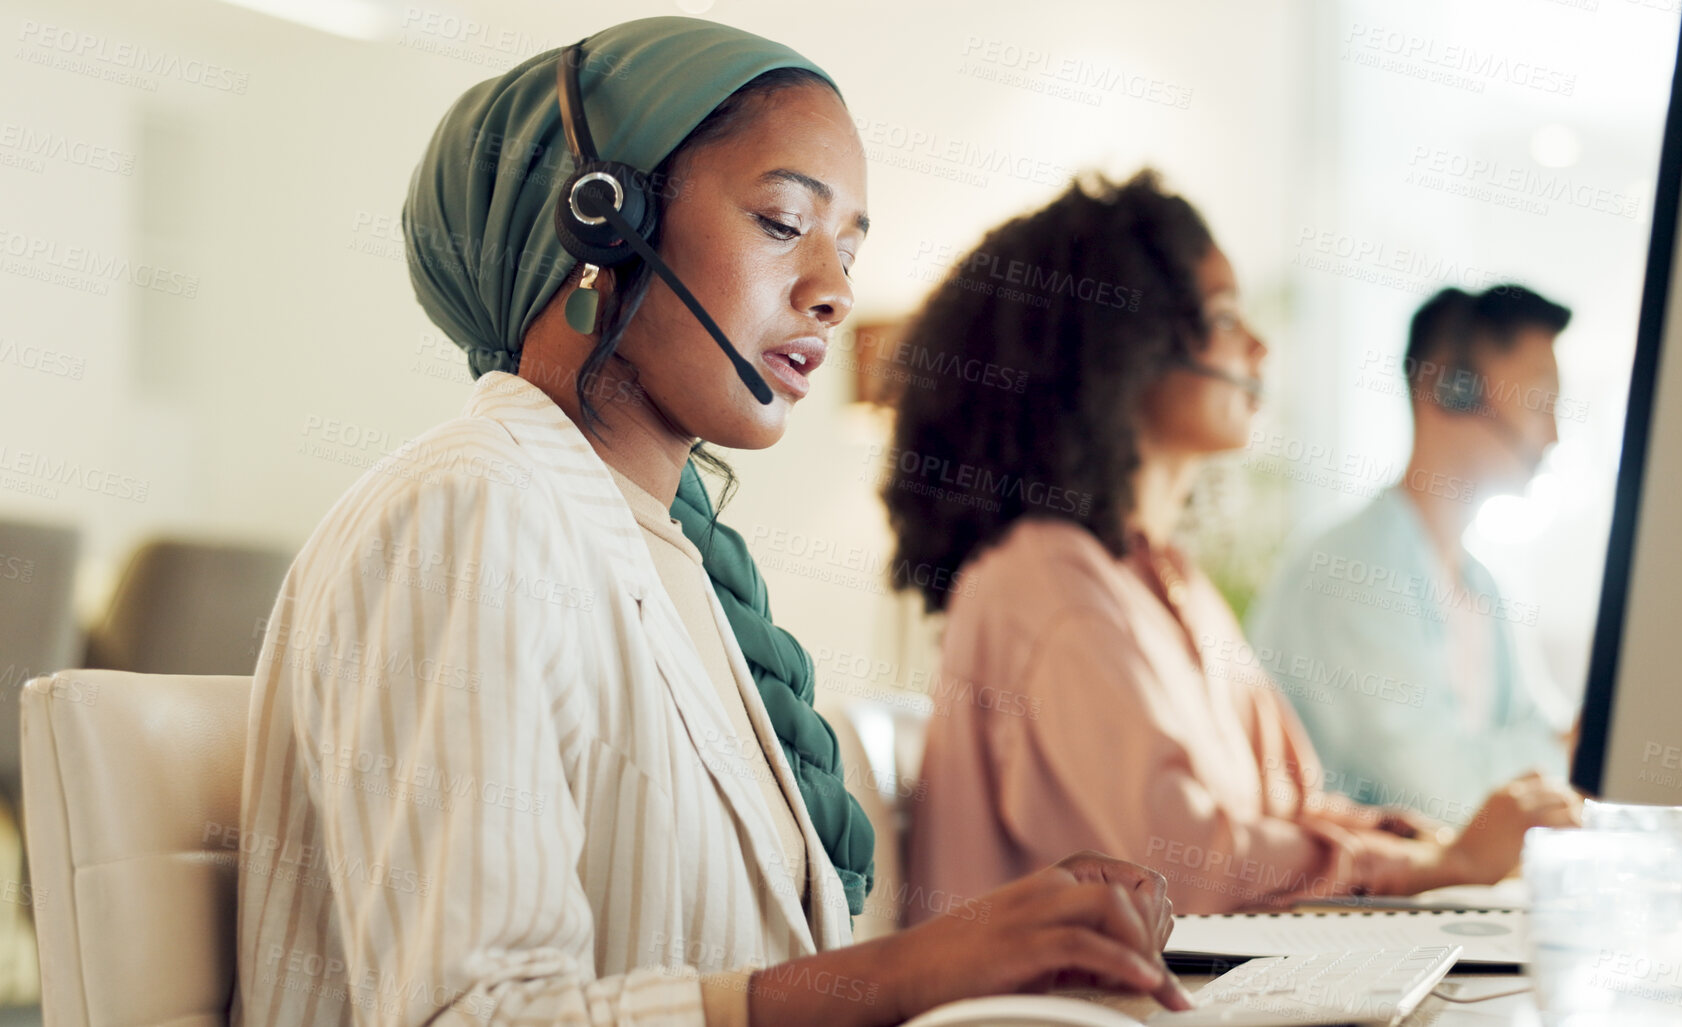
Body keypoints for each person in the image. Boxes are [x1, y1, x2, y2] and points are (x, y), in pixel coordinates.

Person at [233, 19, 1193, 1025]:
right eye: (784, 222)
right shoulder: (470, 509)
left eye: (849, 246)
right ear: (601, 224)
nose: (835, 293)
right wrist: (909, 974)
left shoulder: (667, 552)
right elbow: (469, 1013)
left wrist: (997, 947)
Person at [886, 174, 1579, 920]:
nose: (1257, 346)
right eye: (1221, 317)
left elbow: (1289, 807)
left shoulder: (1167, 582)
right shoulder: (1047, 585)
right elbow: (1176, 867)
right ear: (1121, 347)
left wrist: (1427, 848)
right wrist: (1437, 862)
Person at [1247, 285, 1576, 822]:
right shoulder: (1353, 571)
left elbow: (1542, 731)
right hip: (1346, 901)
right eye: (1542, 400)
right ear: (1452, 388)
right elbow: (1441, 796)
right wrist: (1571, 751)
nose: (1556, 435)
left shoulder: (1482, 587)